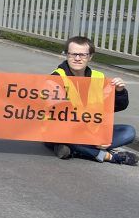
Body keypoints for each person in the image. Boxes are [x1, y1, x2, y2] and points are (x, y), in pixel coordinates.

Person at [48, 36, 137, 165]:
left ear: (90, 57)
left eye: (82, 55)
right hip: (64, 131)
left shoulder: (98, 77)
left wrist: (119, 91)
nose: (77, 58)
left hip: (91, 131)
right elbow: (58, 114)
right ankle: (109, 156)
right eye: (73, 54)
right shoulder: (56, 77)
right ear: (66, 55)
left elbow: (115, 106)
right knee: (69, 138)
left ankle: (76, 150)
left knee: (129, 131)